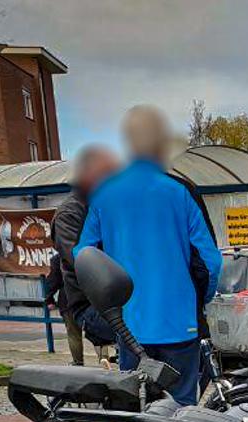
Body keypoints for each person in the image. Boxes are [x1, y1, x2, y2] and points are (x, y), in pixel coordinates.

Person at [75, 106, 220, 404]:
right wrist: (198, 301)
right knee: (180, 415)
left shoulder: (104, 194)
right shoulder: (179, 192)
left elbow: (84, 254)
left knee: (133, 410)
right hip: (179, 324)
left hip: (129, 327)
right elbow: (210, 261)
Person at [51, 144, 120, 365]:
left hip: (120, 298)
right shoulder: (71, 213)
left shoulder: (108, 206)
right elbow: (82, 261)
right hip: (94, 305)